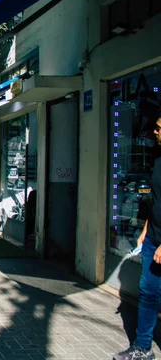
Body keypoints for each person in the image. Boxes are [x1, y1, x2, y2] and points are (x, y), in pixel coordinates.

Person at [114, 114, 161, 360]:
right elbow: (156, 200)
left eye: (159, 128)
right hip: (153, 236)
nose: (155, 132)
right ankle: (143, 348)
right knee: (148, 292)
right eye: (155, 127)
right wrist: (145, 229)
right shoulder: (158, 158)